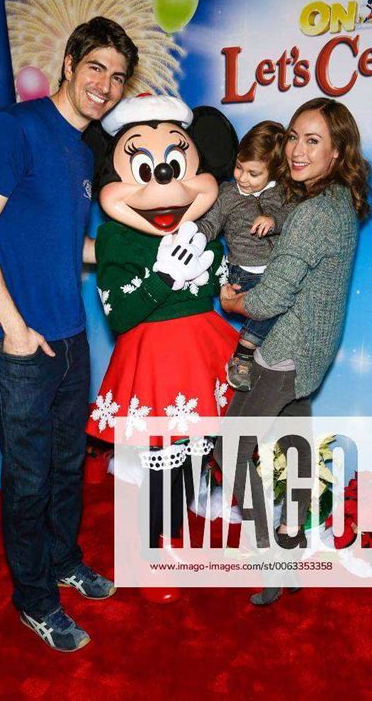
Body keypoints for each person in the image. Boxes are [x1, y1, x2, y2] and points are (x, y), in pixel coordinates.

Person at [0, 17, 138, 652]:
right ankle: (33, 598)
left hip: (71, 336)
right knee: (28, 478)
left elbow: (67, 243)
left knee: (64, 468)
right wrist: (14, 329)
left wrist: (134, 256)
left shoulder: (84, 151)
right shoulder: (14, 127)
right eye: (95, 70)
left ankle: (61, 562)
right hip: (18, 344)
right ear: (69, 64)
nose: (105, 86)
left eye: (117, 77)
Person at [83, 94, 239, 603]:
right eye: (146, 170)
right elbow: (120, 314)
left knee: (192, 453)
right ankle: (151, 552)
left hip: (200, 353)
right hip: (152, 363)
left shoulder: (203, 232)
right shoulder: (115, 242)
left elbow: (216, 291)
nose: (165, 185)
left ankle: (176, 532)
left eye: (174, 167)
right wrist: (164, 277)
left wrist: (224, 275)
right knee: (161, 460)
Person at [217, 97, 372, 606]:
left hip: (284, 349)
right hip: (313, 352)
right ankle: (294, 540)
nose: (297, 150)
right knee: (297, 444)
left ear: (337, 152)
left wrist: (235, 299)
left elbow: (273, 296)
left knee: (232, 449)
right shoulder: (338, 204)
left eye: (313, 141)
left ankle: (275, 561)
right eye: (293, 137)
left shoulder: (309, 216)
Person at [197, 121, 295, 391]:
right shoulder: (228, 194)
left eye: (253, 173)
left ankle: (259, 359)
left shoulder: (281, 192)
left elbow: (292, 217)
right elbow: (210, 224)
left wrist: (273, 220)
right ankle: (243, 353)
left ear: (273, 171)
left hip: (276, 270)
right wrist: (190, 237)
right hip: (244, 272)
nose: (242, 177)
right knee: (272, 304)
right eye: (239, 167)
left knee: (288, 302)